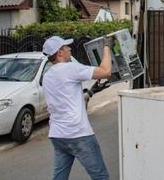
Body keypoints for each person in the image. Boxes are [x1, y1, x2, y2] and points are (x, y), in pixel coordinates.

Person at [42, 36, 113, 180]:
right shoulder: (70, 68)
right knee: (100, 176)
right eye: (66, 47)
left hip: (58, 135)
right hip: (78, 134)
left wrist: (89, 93)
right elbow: (106, 71)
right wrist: (107, 47)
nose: (70, 49)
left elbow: (63, 99)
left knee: (59, 177)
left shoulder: (47, 76)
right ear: (59, 52)